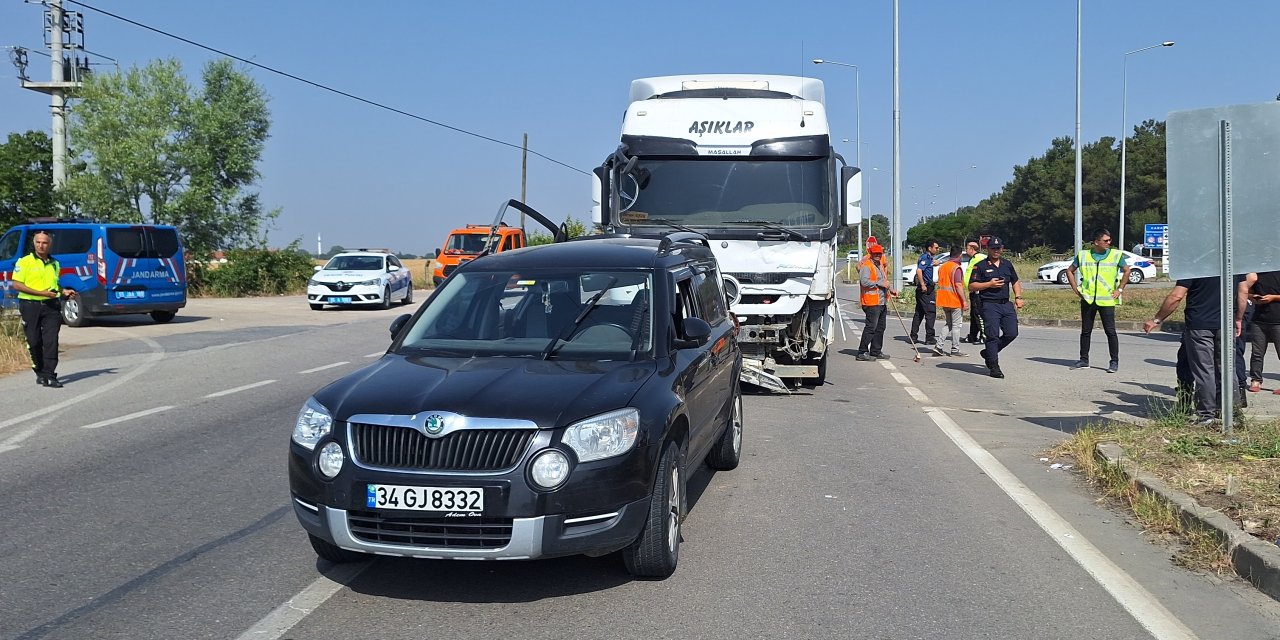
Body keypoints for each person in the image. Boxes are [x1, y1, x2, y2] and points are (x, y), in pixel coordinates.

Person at [1143, 275, 1248, 425]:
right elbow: (1243, 291)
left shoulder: (1194, 266)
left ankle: (1206, 415)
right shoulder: (1230, 262)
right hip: (1226, 323)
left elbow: (1176, 296)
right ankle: (1232, 414)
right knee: (1227, 369)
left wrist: (1157, 319)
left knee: (1204, 371)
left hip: (1199, 324)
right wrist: (1238, 318)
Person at [10, 231, 77, 388]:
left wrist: (63, 291)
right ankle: (39, 370)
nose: (41, 245)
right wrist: (41, 293)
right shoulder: (24, 262)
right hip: (30, 305)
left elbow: (54, 284)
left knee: (51, 341)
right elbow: (17, 284)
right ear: (34, 244)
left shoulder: (54, 263)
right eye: (38, 242)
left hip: (51, 306)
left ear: (49, 244)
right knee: (34, 341)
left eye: (44, 243)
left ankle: (50, 375)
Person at [1065, 228, 1130, 373]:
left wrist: (1119, 289)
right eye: (1105, 240)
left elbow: (1127, 270)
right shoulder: (1083, 255)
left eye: (1109, 240)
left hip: (1106, 300)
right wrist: (1075, 289)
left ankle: (1114, 361)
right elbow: (1069, 270)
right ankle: (1084, 360)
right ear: (1096, 242)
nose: (1109, 242)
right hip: (1088, 299)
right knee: (1086, 331)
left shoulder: (1115, 255)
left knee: (1110, 331)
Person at [967, 236, 1024, 378]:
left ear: (1002, 249)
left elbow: (1015, 281)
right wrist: (989, 284)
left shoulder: (1007, 264)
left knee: (1012, 333)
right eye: (993, 248)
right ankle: (994, 366)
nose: (996, 251)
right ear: (988, 249)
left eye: (998, 248)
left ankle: (988, 353)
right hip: (989, 305)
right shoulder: (980, 266)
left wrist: (1018, 297)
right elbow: (971, 286)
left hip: (1006, 304)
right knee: (992, 336)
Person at [856, 241, 897, 361]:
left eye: (880, 253)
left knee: (880, 327)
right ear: (871, 254)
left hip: (881, 301)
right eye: (875, 254)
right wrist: (880, 284)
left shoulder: (879, 265)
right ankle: (862, 352)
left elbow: (884, 281)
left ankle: (875, 351)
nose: (878, 255)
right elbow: (864, 282)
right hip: (871, 302)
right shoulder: (867, 266)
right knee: (871, 328)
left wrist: (891, 290)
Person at [1245, 270, 1280, 394]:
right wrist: (1253, 298)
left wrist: (1273, 297)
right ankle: (1256, 380)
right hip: (1259, 319)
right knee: (1257, 352)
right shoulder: (1256, 274)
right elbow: (1247, 291)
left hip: (1278, 320)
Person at [935, 245, 968, 356]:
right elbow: (958, 285)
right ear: (960, 255)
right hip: (954, 300)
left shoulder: (943, 267)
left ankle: (938, 346)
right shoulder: (956, 268)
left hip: (944, 300)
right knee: (956, 326)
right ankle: (955, 349)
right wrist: (964, 301)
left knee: (948, 324)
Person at [909, 239, 940, 350]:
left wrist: (934, 263)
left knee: (919, 312)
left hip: (927, 287)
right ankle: (930, 337)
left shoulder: (929, 259)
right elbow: (919, 270)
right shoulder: (925, 257)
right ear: (929, 248)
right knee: (930, 312)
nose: (937, 249)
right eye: (936, 247)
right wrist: (922, 284)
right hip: (925, 288)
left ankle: (913, 335)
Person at [962, 241, 986, 344]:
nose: (966, 250)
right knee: (974, 314)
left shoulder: (980, 258)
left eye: (967, 248)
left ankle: (984, 335)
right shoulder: (973, 259)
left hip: (978, 291)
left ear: (972, 249)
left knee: (979, 314)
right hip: (973, 291)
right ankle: (972, 335)